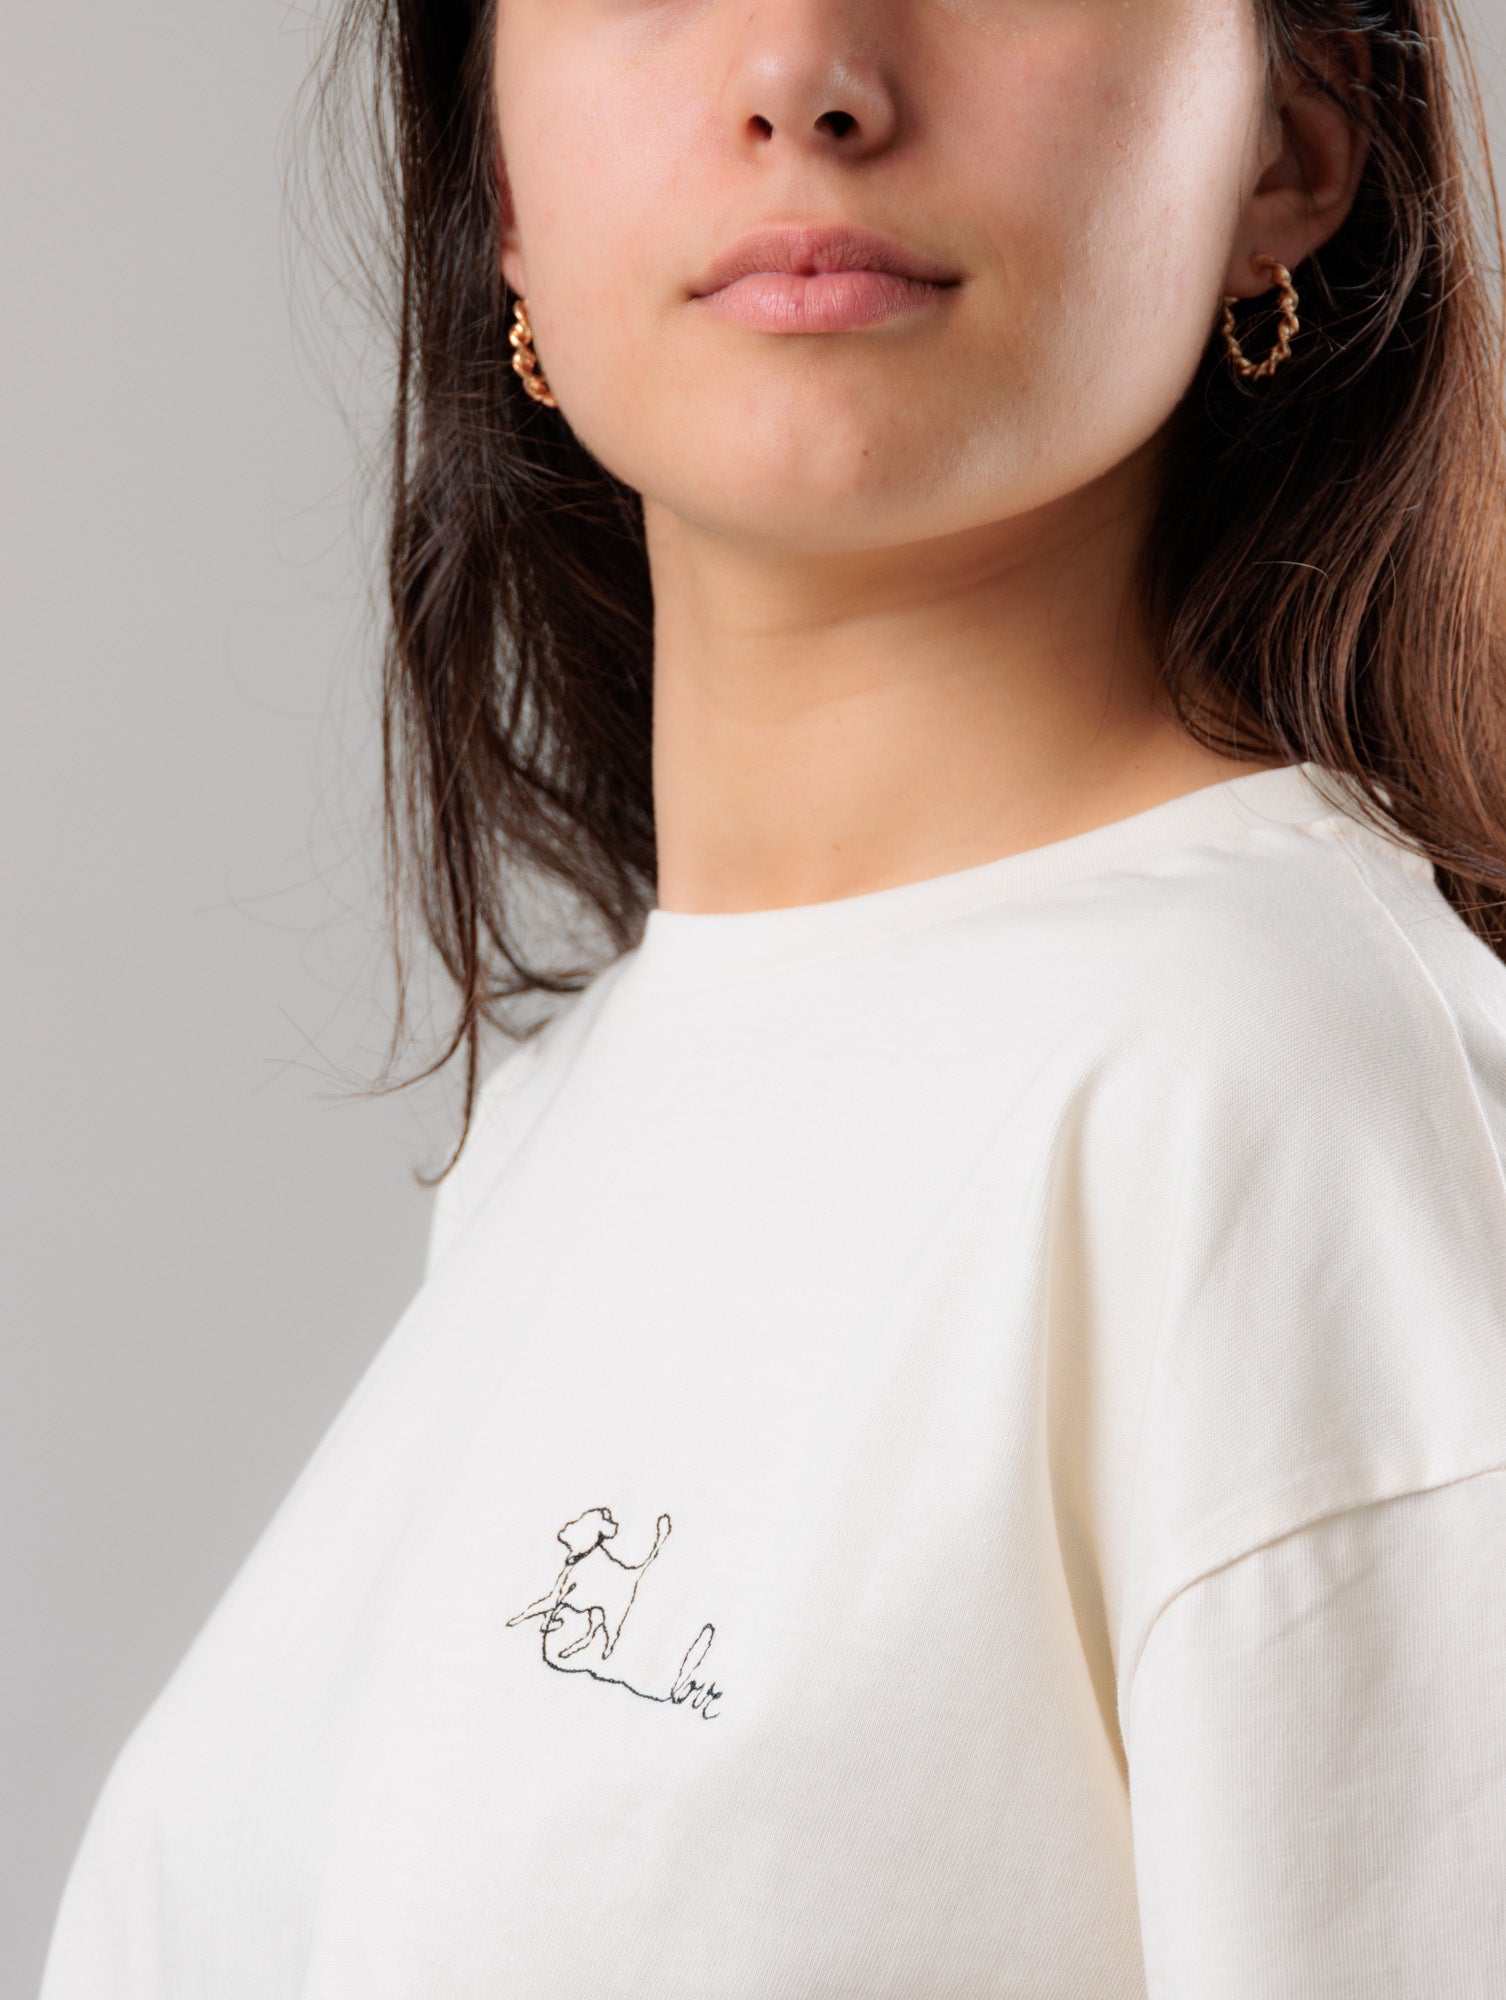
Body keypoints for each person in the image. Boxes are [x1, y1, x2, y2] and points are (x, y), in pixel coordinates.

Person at [36, 0, 1506, 1993]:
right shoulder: (567, 1120)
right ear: (500, 193)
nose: (805, 72)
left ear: (1293, 140)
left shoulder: (1274, 1094)